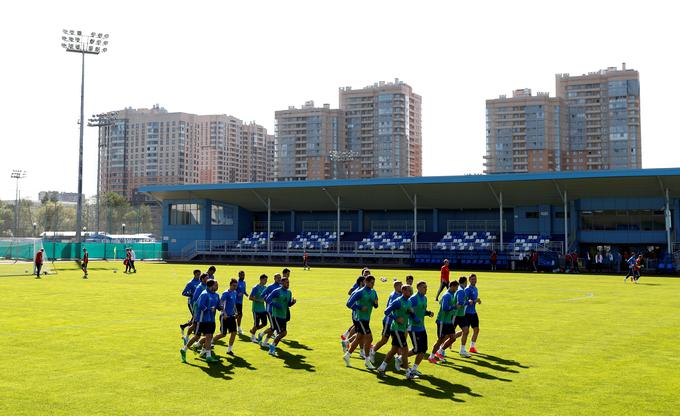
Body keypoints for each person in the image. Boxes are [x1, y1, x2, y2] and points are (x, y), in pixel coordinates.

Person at [376, 285, 418, 380]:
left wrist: (416, 318)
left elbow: (410, 313)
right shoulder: (398, 301)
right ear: (403, 291)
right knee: (405, 349)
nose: (411, 293)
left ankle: (381, 368)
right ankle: (408, 372)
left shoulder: (409, 302)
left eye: (411, 291)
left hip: (402, 329)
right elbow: (386, 311)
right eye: (409, 291)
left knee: (394, 350)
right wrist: (396, 318)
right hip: (396, 329)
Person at [180, 279, 221, 363]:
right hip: (202, 320)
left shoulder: (216, 295)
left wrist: (220, 307)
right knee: (197, 336)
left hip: (211, 320)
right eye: (216, 285)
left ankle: (208, 356)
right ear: (211, 286)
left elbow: (217, 305)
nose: (217, 286)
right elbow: (200, 305)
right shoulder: (204, 294)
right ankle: (184, 349)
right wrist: (210, 309)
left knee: (209, 337)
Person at [343, 275, 378, 369]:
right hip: (360, 319)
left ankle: (347, 355)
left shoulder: (374, 292)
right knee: (369, 339)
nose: (373, 284)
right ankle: (367, 361)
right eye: (371, 282)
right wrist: (359, 307)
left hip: (367, 319)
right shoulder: (360, 292)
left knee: (359, 338)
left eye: (374, 282)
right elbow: (348, 303)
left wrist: (375, 302)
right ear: (366, 282)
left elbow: (376, 305)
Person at [369, 280, 403, 361]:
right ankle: (372, 351)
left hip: (395, 323)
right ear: (396, 287)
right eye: (400, 286)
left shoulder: (400, 294)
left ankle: (400, 358)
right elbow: (388, 310)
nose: (402, 288)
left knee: (397, 341)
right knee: (384, 340)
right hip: (389, 321)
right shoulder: (394, 296)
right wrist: (396, 318)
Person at [407, 280, 434, 377]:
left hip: (422, 327)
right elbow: (408, 311)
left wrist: (428, 313)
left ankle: (414, 369)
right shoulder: (413, 298)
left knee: (424, 349)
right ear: (418, 288)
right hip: (413, 327)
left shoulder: (425, 298)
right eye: (424, 287)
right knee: (417, 349)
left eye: (426, 287)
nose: (426, 289)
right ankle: (401, 358)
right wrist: (415, 318)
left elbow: (422, 310)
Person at [265, 276, 296, 356]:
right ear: (282, 283)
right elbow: (267, 299)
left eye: (288, 282)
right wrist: (275, 304)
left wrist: (292, 303)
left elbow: (288, 304)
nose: (288, 284)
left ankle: (272, 347)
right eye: (286, 282)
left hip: (283, 315)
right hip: (276, 315)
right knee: (283, 333)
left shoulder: (289, 292)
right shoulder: (276, 291)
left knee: (282, 333)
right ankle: (271, 348)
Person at [428, 280, 458, 363]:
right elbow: (444, 307)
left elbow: (440, 302)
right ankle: (431, 357)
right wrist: (454, 307)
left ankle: (440, 351)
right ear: (452, 286)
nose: (457, 289)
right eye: (456, 287)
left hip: (448, 321)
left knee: (453, 338)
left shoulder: (452, 294)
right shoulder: (447, 295)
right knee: (440, 340)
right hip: (442, 321)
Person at [213, 279, 238, 354]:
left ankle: (229, 350)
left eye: (236, 286)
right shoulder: (226, 293)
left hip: (232, 317)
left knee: (234, 332)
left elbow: (234, 304)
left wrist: (236, 312)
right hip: (224, 317)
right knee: (223, 334)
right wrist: (224, 313)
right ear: (230, 285)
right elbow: (220, 304)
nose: (235, 287)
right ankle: (210, 341)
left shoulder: (235, 293)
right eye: (234, 285)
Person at [259, 273, 282, 346]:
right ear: (274, 278)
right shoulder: (270, 287)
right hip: (270, 310)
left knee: (274, 327)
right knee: (273, 327)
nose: (279, 279)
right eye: (277, 277)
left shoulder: (281, 287)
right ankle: (261, 334)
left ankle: (265, 342)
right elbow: (262, 295)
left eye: (280, 277)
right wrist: (267, 300)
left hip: (277, 311)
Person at [180, 269, 202, 341]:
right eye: (198, 274)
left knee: (195, 318)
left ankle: (184, 326)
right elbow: (183, 293)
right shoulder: (190, 283)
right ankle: (195, 336)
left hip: (199, 303)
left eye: (200, 274)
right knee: (195, 318)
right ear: (194, 274)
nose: (199, 276)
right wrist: (192, 295)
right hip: (192, 303)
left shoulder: (200, 282)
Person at [249, 274, 269, 343]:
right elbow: (250, 297)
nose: (266, 281)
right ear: (261, 279)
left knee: (264, 323)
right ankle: (252, 337)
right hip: (256, 309)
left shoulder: (265, 288)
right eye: (265, 280)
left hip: (263, 309)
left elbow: (266, 297)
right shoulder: (255, 287)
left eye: (266, 280)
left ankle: (253, 330)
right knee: (256, 324)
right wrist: (259, 300)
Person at [465, 274, 482, 353]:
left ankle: (472, 347)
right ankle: (451, 340)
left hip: (473, 312)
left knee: (476, 329)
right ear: (469, 280)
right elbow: (466, 301)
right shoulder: (467, 289)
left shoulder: (475, 288)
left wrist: (477, 301)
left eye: (475, 279)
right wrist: (475, 301)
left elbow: (474, 300)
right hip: (467, 313)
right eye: (472, 279)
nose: (474, 280)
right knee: (465, 331)